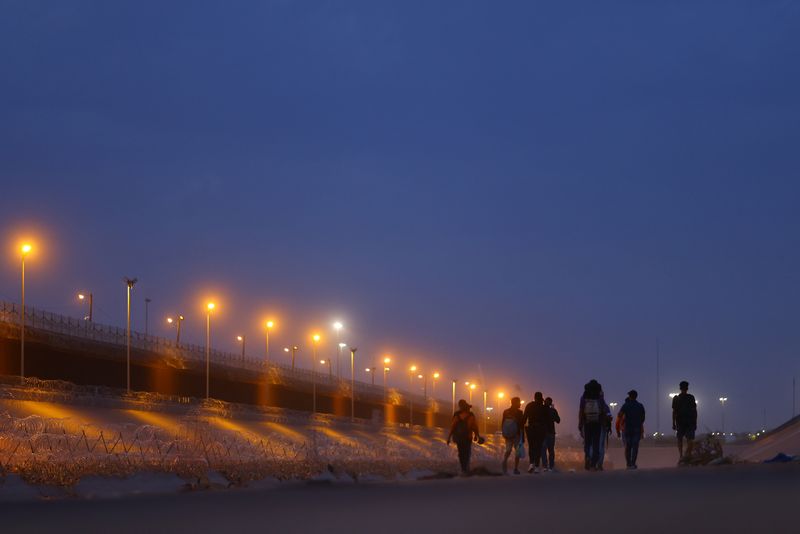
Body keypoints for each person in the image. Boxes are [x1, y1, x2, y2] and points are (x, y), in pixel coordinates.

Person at [578, 379, 610, 471]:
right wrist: (605, 422)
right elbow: (603, 410)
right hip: (597, 423)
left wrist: (580, 423)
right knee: (596, 443)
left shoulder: (583, 397)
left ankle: (588, 456)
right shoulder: (599, 398)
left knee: (587, 443)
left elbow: (581, 411)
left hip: (587, 422)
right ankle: (593, 464)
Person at [447, 399, 483, 474]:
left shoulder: (457, 415)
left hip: (459, 437)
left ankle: (463, 468)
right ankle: (466, 467)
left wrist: (449, 437)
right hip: (467, 437)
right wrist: (477, 435)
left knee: (461, 452)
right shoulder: (471, 415)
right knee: (467, 452)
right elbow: (474, 426)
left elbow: (452, 426)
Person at [522, 391, 550, 473]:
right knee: (538, 447)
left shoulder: (529, 405)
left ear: (534, 397)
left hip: (531, 428)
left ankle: (531, 464)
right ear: (541, 398)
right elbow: (548, 419)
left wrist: (521, 427)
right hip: (541, 429)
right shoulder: (544, 407)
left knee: (531, 446)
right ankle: (537, 466)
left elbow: (524, 417)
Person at [617, 390, 646, 469]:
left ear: (629, 396)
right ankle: (633, 463)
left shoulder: (626, 405)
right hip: (637, 428)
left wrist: (623, 422)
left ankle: (628, 463)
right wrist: (639, 422)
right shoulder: (640, 406)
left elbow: (619, 415)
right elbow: (643, 418)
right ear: (636, 396)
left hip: (627, 428)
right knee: (635, 446)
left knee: (628, 446)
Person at [672, 380, 697, 463]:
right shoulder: (691, 397)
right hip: (690, 422)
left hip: (680, 422)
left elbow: (674, 412)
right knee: (690, 439)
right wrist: (695, 422)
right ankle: (687, 454)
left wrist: (673, 423)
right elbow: (695, 411)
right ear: (687, 388)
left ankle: (681, 455)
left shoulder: (676, 398)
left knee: (680, 439)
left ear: (680, 388)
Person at [500, 396, 524, 475]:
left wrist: (504, 432)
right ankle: (515, 469)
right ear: (515, 403)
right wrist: (523, 436)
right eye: (519, 402)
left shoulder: (506, 411)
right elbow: (521, 425)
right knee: (517, 452)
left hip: (508, 434)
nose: (520, 403)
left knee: (508, 450)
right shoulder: (520, 412)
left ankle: (504, 462)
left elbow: (503, 423)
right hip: (516, 434)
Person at [542, 397, 561, 471]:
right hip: (551, 433)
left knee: (543, 450)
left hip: (543, 433)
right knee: (551, 450)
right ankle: (551, 466)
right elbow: (558, 420)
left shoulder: (542, 410)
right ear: (551, 403)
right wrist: (553, 410)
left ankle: (545, 466)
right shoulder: (553, 410)